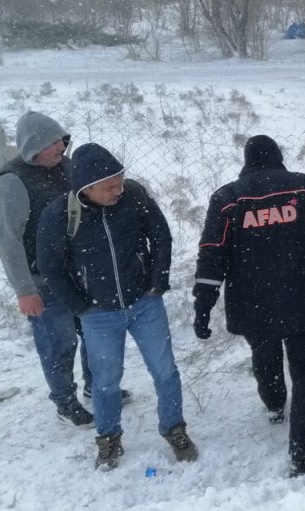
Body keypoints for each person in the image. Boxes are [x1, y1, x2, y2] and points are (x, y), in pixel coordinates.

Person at [192, 135, 305, 477]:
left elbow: (212, 253)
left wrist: (203, 304)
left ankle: (274, 403)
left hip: (254, 306)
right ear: (279, 158)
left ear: (246, 161)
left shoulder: (227, 198)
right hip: (304, 300)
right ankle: (303, 453)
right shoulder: (303, 187)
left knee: (264, 354)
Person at [36, 143, 196, 471]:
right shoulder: (60, 214)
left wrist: (158, 281)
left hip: (144, 303)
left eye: (120, 182)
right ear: (87, 188)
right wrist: (80, 306)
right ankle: (109, 439)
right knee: (106, 380)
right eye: (110, 187)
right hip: (98, 314)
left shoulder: (134, 195)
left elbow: (161, 235)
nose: (118, 191)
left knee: (165, 371)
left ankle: (174, 428)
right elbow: (49, 267)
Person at [0, 111, 101, 427]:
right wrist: (24, 290)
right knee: (59, 342)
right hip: (42, 280)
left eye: (62, 141)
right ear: (32, 145)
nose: (61, 148)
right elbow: (7, 240)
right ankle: (65, 402)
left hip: (80, 272)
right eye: (53, 143)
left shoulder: (67, 167)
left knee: (95, 332)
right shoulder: (11, 182)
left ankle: (98, 386)